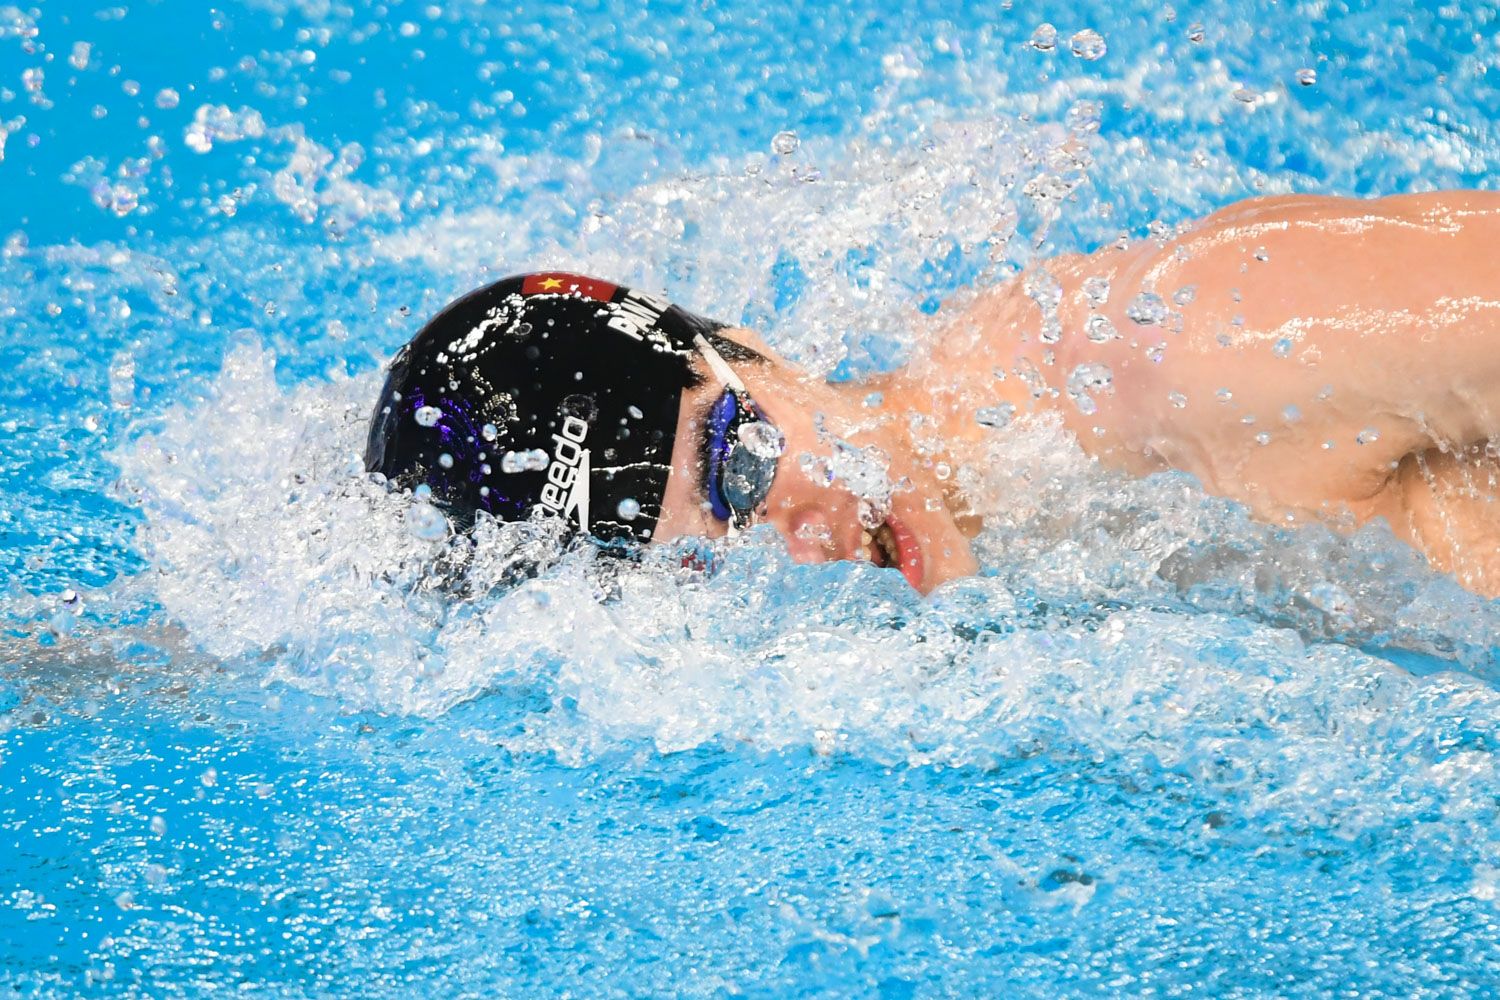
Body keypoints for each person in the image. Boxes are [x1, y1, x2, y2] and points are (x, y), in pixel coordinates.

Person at [366, 191, 1500, 597]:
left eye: (739, 462)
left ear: (748, 348)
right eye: (705, 567)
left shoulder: (1170, 349)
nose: (799, 548)